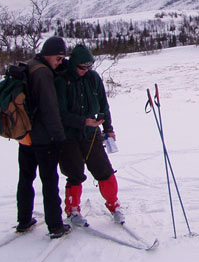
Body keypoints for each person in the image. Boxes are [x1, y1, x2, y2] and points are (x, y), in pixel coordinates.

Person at [55, 44, 125, 227]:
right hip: (69, 136)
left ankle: (114, 204)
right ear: (74, 64)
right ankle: (72, 210)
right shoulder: (62, 81)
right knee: (75, 174)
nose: (86, 70)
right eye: (82, 67)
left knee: (104, 170)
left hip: (91, 134)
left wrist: (108, 129)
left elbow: (103, 105)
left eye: (89, 66)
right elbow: (60, 113)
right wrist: (83, 121)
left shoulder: (93, 78)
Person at [16, 36, 71, 238]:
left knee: (25, 178)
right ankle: (55, 226)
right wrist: (59, 137)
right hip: (44, 138)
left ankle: (24, 220)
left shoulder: (29, 66)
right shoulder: (43, 74)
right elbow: (49, 109)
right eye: (58, 58)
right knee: (49, 182)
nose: (59, 62)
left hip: (25, 136)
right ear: (49, 54)